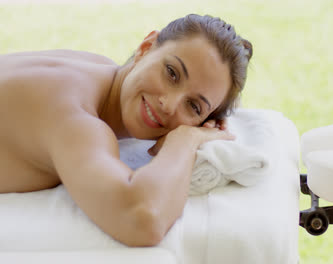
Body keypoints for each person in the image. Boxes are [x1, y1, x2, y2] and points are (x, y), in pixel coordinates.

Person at [0, 14, 253, 247]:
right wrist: (185, 139)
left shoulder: (96, 68)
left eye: (194, 106)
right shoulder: (75, 116)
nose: (169, 104)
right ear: (146, 48)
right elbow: (142, 219)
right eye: (172, 73)